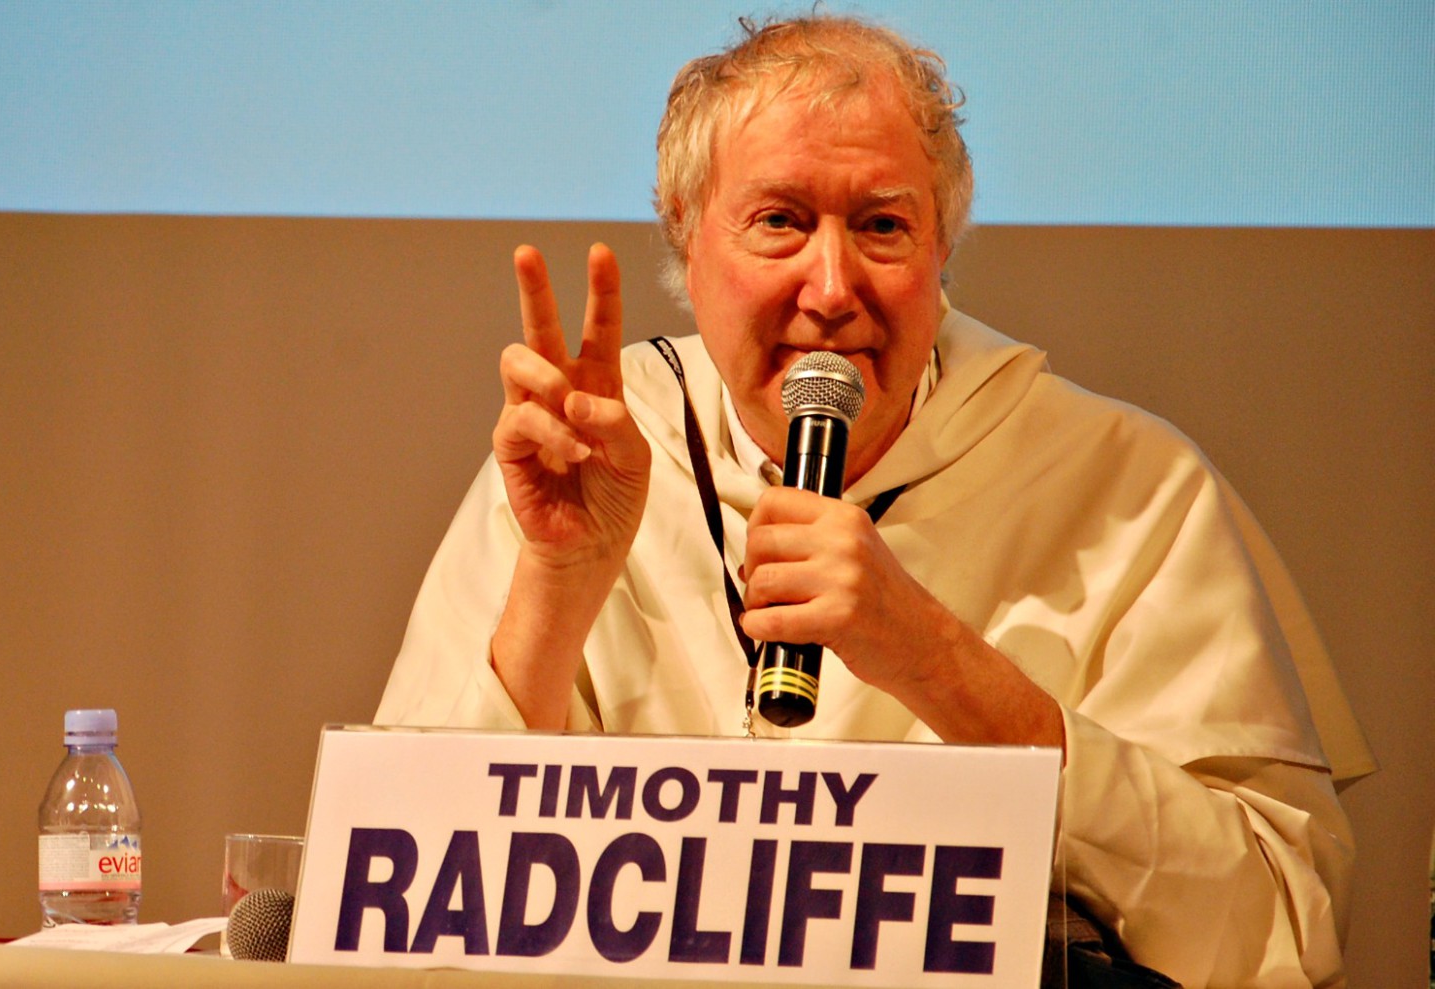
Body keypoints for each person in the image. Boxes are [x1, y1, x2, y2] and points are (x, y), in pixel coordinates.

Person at [375, 13, 1372, 988]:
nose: (832, 285)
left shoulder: (1131, 483)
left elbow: (1274, 931)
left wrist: (939, 662)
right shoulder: (587, 447)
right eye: (780, 221)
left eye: (883, 225)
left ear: (944, 250)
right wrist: (558, 584)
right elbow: (387, 904)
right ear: (687, 238)